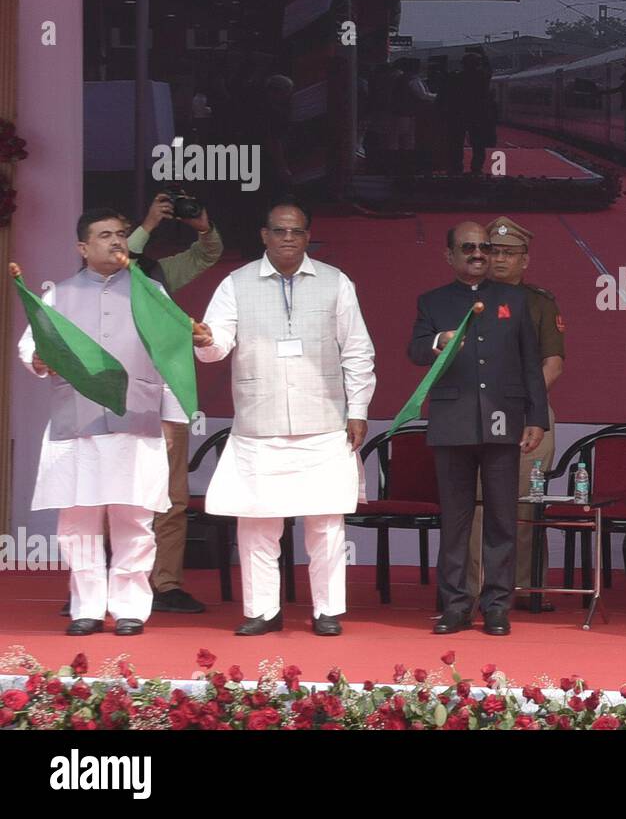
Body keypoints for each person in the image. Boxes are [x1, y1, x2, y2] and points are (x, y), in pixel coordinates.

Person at [192, 196, 375, 636]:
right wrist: (202, 339)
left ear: (308, 236)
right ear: (264, 236)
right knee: (256, 524)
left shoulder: (336, 282)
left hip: (324, 420)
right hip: (260, 421)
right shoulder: (236, 283)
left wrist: (358, 409)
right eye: (279, 231)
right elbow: (218, 346)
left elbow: (357, 351)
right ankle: (261, 611)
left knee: (326, 523)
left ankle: (327, 611)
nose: (288, 238)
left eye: (296, 231)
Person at [18, 209, 189, 636]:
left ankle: (131, 606)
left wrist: (172, 418)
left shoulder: (150, 292)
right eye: (105, 235)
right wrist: (38, 360)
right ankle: (87, 608)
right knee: (78, 520)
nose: (116, 241)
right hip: (77, 423)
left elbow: (173, 357)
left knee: (134, 517)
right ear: (83, 247)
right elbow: (31, 346)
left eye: (121, 234)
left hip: (138, 418)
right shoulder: (60, 294)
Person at [407, 221, 548, 636]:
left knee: (503, 518)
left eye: (484, 247)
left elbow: (530, 364)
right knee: (456, 520)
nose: (478, 254)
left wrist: (536, 417)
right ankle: (455, 605)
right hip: (452, 422)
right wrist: (439, 341)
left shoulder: (515, 299)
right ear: (449, 254)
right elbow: (415, 350)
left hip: (504, 420)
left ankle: (497, 606)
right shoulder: (432, 301)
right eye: (468, 247)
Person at [129, 190, 225, 615]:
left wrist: (200, 224)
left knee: (172, 498)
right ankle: (110, 582)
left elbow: (208, 254)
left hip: (168, 397)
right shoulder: (105, 279)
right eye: (110, 239)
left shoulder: (159, 273)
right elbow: (119, 260)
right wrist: (148, 224)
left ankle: (164, 583)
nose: (119, 248)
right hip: (122, 401)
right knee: (118, 498)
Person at [466, 216, 565, 610]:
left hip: (528, 416)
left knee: (524, 505)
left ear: (526, 260)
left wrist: (520, 404)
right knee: (474, 507)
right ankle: (473, 591)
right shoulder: (467, 299)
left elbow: (553, 364)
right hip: (473, 415)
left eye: (510, 253)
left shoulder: (539, 302)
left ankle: (522, 589)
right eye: (493, 251)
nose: (500, 259)